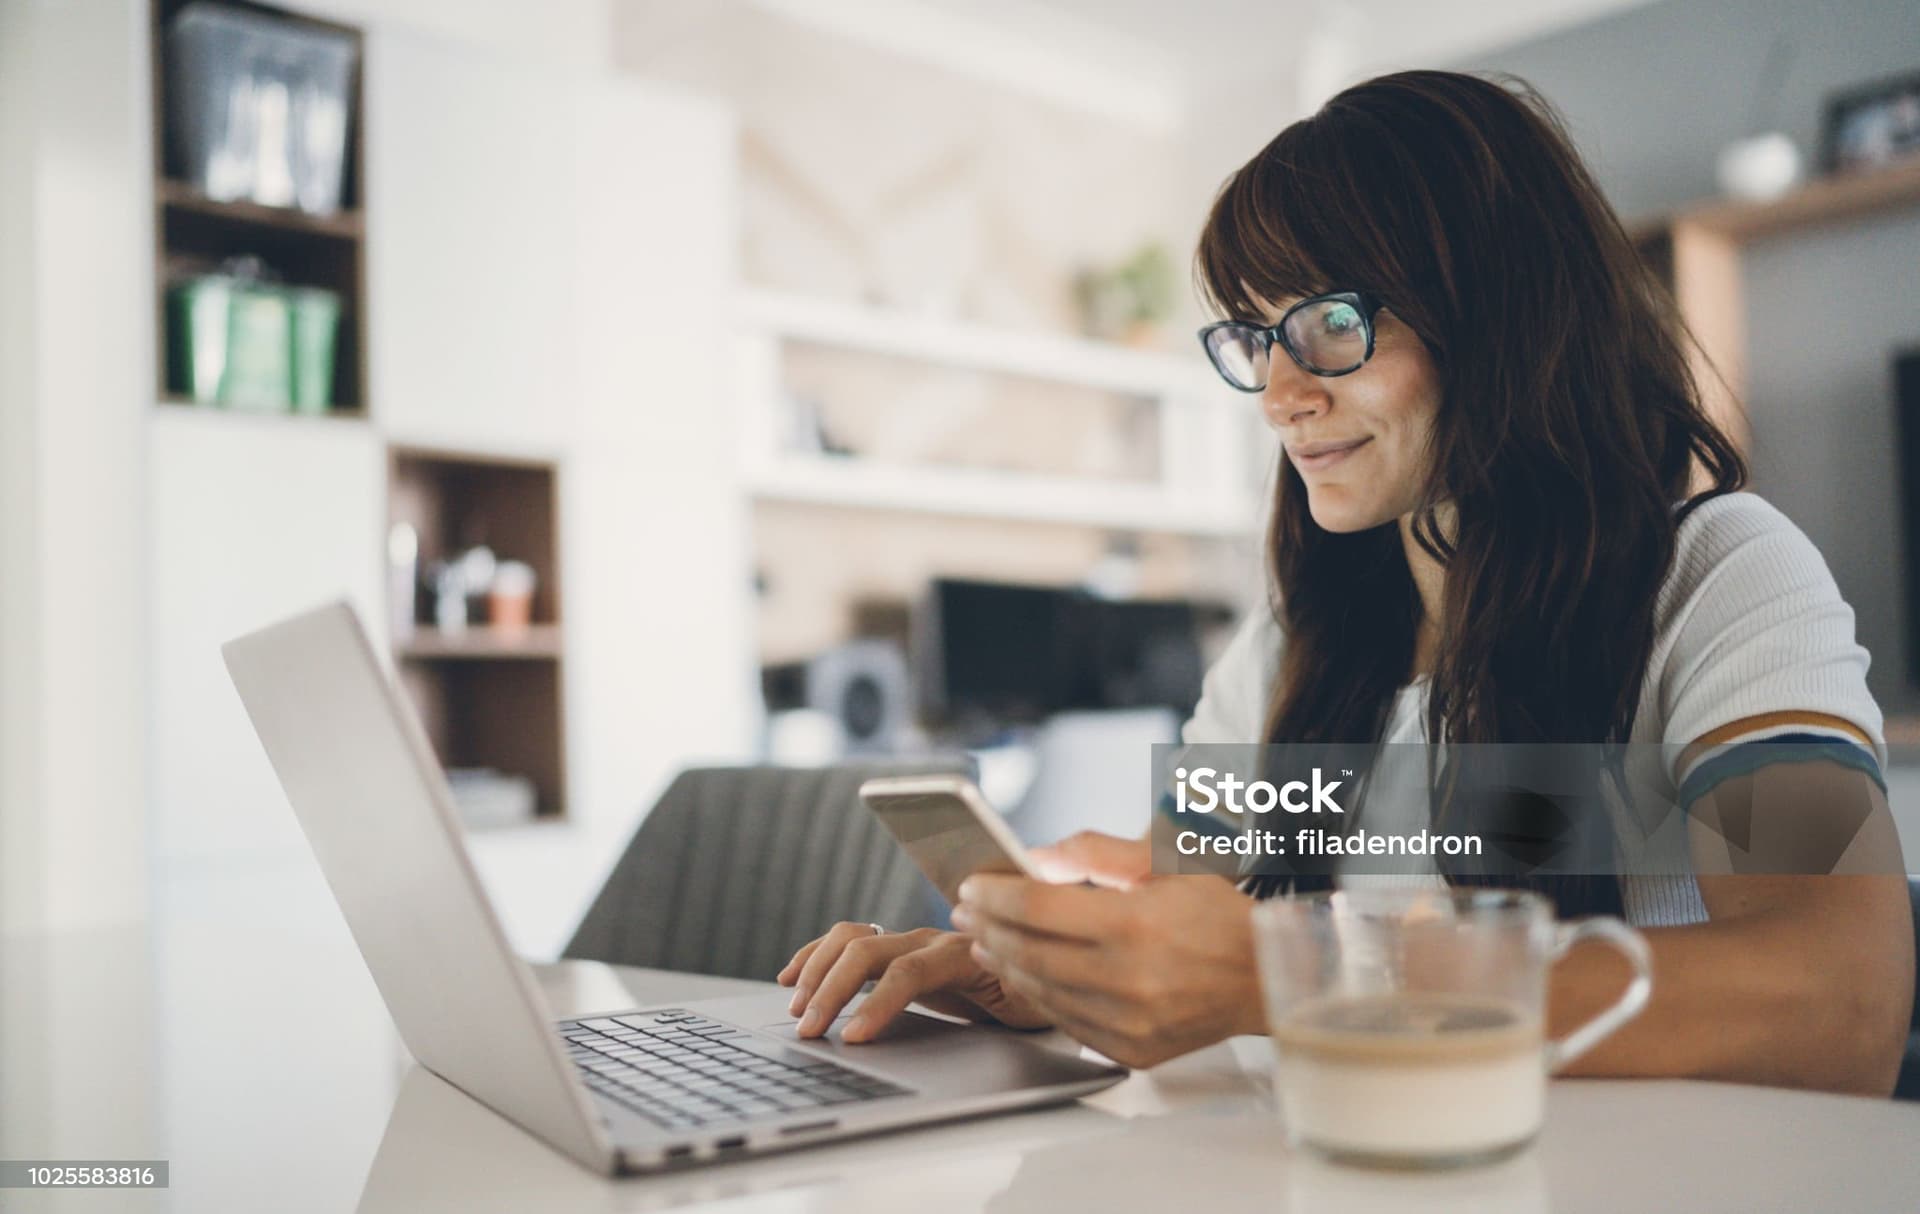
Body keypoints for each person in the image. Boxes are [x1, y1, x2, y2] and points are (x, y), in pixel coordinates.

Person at [777, 69, 1914, 1094]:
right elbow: (1190, 912)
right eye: (1255, 335)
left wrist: (1295, 978)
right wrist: (1053, 974)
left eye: (1329, 322)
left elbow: (1840, 997)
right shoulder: (1294, 646)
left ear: (1503, 313)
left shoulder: (1716, 575)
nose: (1278, 393)